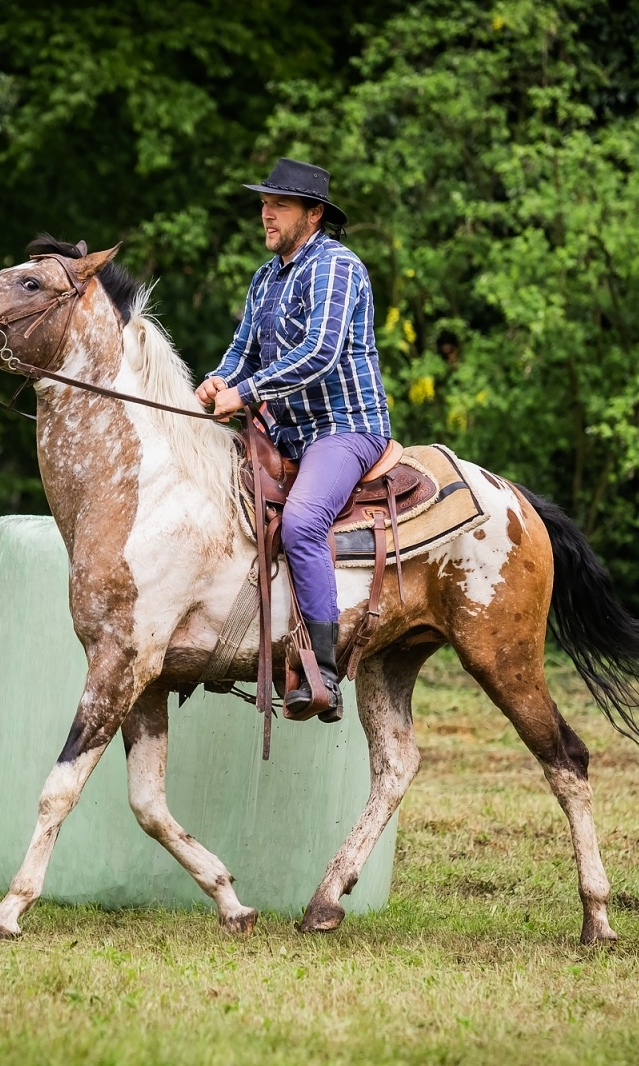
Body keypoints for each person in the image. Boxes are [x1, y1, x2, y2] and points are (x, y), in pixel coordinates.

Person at [195, 158, 391, 722]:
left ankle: (320, 670)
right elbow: (242, 352)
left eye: (278, 204)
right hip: (287, 433)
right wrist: (218, 381)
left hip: (346, 427)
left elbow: (321, 354)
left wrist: (248, 393)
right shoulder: (266, 277)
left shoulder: (336, 267)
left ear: (314, 214)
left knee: (303, 522)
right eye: (263, 203)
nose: (265, 213)